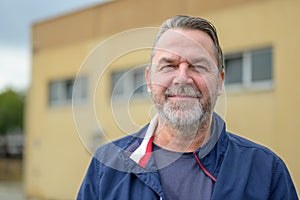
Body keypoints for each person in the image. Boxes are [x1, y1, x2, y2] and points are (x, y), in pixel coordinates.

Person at [77, 15, 298, 200]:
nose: (182, 78)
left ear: (220, 81)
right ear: (149, 79)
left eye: (198, 66)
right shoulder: (105, 168)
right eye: (169, 65)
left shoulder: (267, 171)